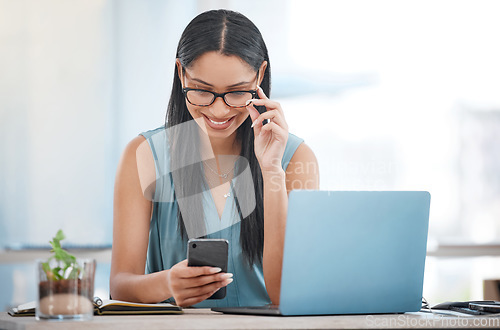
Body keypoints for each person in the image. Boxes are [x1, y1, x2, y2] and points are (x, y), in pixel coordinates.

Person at [110, 9, 319, 308]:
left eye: (236, 93)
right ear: (181, 73)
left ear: (259, 75)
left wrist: (272, 171)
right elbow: (120, 286)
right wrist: (166, 282)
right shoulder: (144, 155)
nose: (219, 111)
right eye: (202, 91)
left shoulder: (295, 158)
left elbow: (286, 295)